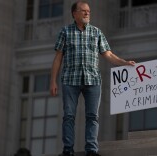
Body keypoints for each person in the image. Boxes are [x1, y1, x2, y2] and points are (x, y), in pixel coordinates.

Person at [50, 1, 136, 156]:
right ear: (74, 14)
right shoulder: (65, 32)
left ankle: (91, 150)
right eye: (83, 11)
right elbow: (58, 58)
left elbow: (108, 54)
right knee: (69, 116)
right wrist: (53, 81)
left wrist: (124, 63)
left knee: (93, 116)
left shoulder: (96, 32)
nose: (87, 13)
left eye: (88, 11)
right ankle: (68, 150)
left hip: (93, 80)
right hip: (70, 80)